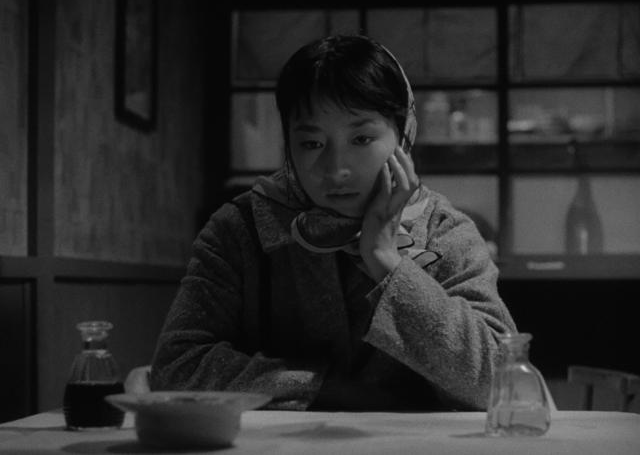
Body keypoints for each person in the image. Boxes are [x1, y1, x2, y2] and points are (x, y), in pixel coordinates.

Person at [149, 34, 517, 411]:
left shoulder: (443, 230)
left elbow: (500, 381)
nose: (336, 169)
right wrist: (323, 388)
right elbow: (176, 368)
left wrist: (387, 261)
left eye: (361, 138)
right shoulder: (241, 228)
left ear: (404, 136)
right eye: (312, 143)